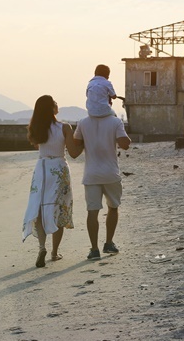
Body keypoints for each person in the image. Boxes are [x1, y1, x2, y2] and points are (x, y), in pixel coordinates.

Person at [22, 95, 83, 268]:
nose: (57, 104)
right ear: (51, 108)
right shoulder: (64, 127)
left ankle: (42, 247)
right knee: (59, 209)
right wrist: (84, 142)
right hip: (58, 168)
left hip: (41, 169)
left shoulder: (36, 128)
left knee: (40, 208)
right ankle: (55, 252)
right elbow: (73, 153)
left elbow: (38, 146)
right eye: (55, 103)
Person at [72, 109, 131, 260]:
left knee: (92, 212)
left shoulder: (83, 123)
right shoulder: (115, 121)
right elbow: (125, 145)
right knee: (113, 207)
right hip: (110, 173)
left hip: (91, 174)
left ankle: (94, 249)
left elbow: (74, 150)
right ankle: (109, 243)